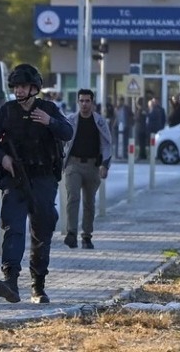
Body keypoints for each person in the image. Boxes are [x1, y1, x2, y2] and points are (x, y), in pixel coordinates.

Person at [0, 63, 73, 305]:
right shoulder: (6, 112)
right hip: (15, 179)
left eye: (23, 86)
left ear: (34, 88)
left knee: (42, 230)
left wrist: (49, 122)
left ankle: (38, 285)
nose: (19, 91)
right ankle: (10, 280)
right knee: (13, 227)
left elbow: (67, 132)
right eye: (15, 87)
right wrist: (3, 158)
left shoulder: (48, 109)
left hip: (43, 179)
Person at [63, 89, 112, 250]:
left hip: (92, 166)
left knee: (89, 202)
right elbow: (62, 140)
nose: (84, 104)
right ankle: (71, 233)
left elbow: (107, 143)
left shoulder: (99, 122)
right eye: (81, 101)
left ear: (92, 102)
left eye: (87, 101)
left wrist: (105, 164)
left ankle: (87, 236)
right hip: (73, 164)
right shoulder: (71, 120)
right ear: (78, 102)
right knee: (73, 197)